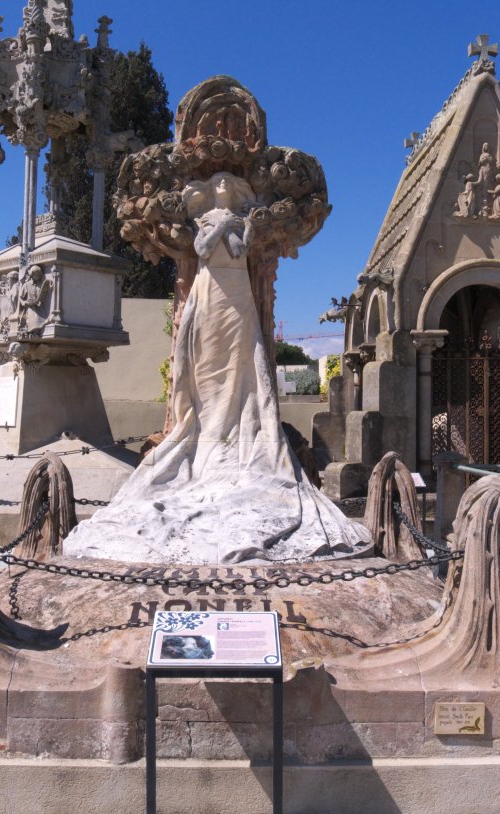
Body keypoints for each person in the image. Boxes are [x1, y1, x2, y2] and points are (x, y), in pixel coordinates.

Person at [64, 171, 372, 564]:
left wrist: (233, 226)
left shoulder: (240, 222)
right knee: (208, 365)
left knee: (242, 363)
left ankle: (237, 435)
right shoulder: (204, 221)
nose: (224, 187)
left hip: (238, 294)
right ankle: (207, 433)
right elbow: (204, 249)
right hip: (209, 292)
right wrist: (219, 224)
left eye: (230, 184)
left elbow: (240, 249)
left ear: (237, 191)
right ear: (212, 192)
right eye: (219, 185)